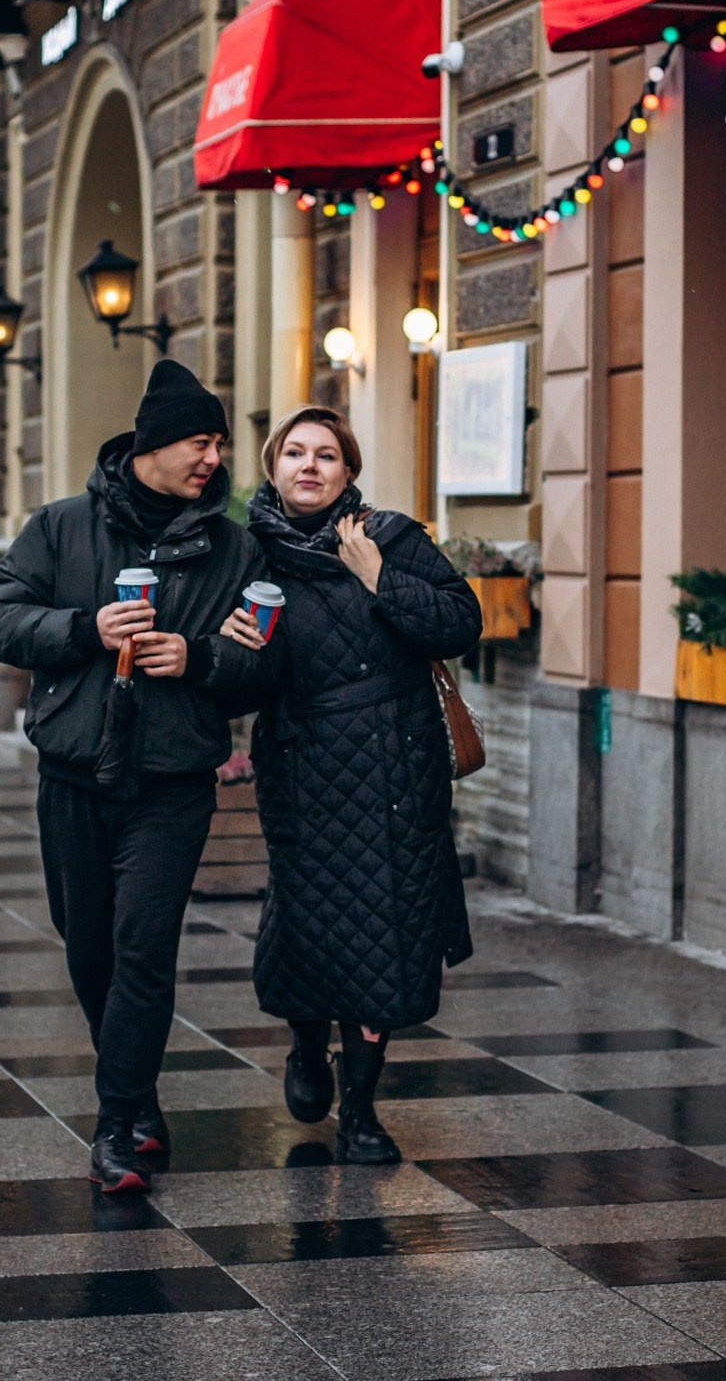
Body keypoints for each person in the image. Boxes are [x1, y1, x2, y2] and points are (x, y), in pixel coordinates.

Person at [0, 359, 278, 1194]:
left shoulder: (235, 547)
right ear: (149, 446)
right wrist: (84, 627)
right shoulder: (61, 526)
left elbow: (264, 664)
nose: (213, 458)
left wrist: (202, 657)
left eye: (220, 442)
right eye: (198, 440)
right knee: (90, 950)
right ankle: (139, 1092)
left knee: (143, 947)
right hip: (74, 774)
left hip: (173, 779)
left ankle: (114, 1128)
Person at [219, 405, 483, 1164]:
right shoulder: (245, 558)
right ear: (273, 468)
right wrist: (229, 647)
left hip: (398, 777)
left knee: (388, 940)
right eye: (294, 453)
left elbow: (461, 625)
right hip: (304, 773)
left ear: (349, 471)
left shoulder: (391, 538)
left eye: (326, 454)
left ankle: (362, 1111)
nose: (309, 465)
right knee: (309, 930)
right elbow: (233, 686)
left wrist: (381, 577)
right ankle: (307, 1047)